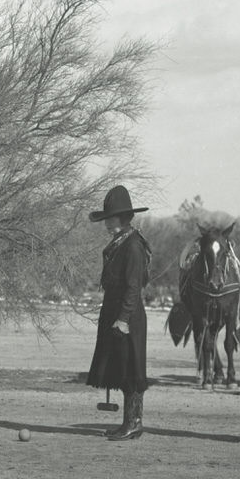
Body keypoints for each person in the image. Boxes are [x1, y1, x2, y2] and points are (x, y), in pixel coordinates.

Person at [85, 185, 152, 441]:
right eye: (106, 220)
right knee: (123, 369)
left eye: (110, 219)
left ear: (123, 218)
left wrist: (123, 319)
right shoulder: (121, 242)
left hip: (129, 316)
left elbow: (134, 286)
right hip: (117, 312)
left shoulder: (133, 246)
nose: (107, 224)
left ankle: (134, 423)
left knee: (132, 369)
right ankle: (129, 422)